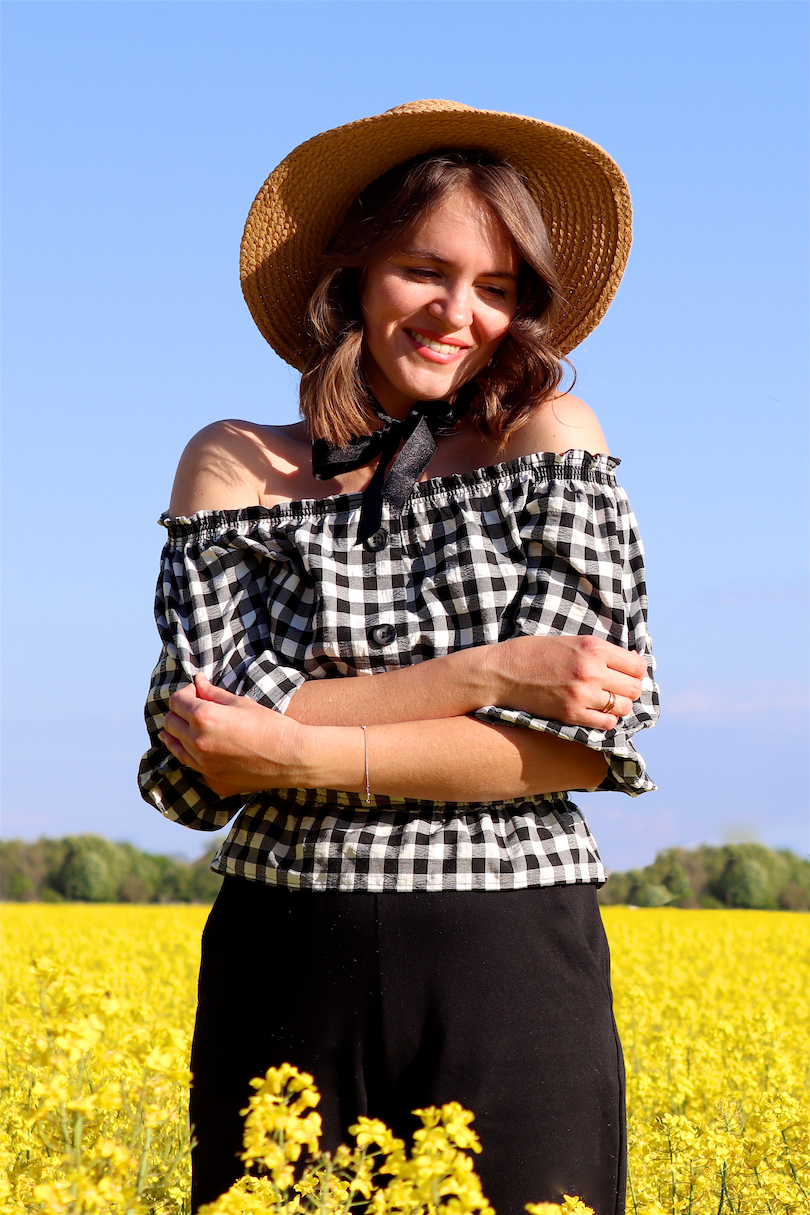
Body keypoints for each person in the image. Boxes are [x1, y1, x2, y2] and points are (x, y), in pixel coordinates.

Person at [139, 100, 659, 1215]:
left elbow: (570, 750)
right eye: (426, 270)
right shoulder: (233, 463)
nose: (457, 314)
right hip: (284, 959)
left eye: (498, 289)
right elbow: (199, 750)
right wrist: (488, 677)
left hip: (507, 960)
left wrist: (292, 740)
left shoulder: (550, 440)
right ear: (355, 274)